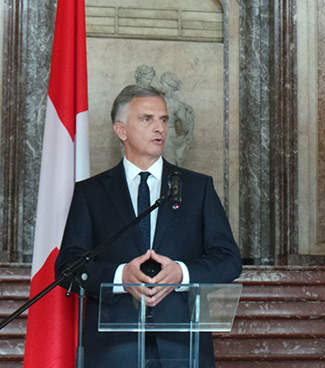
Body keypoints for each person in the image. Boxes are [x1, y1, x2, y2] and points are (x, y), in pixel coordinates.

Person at [54, 84, 242, 368]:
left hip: (182, 347)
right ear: (121, 131)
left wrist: (182, 272)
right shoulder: (90, 193)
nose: (160, 128)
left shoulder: (197, 187)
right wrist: (120, 277)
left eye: (164, 119)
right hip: (114, 349)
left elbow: (229, 260)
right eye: (147, 119)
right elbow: (68, 266)